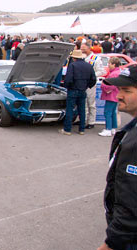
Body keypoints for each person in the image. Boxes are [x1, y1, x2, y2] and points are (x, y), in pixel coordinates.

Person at [97, 65, 137, 250]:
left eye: (126, 90)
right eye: (119, 89)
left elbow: (131, 201)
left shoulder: (135, 142)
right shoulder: (131, 130)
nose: (119, 95)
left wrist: (111, 243)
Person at [59, 50, 96, 135]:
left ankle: (67, 129)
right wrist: (87, 86)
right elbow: (93, 79)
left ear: (74, 58)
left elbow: (68, 79)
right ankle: (81, 129)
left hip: (73, 90)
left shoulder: (72, 65)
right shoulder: (89, 66)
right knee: (82, 109)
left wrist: (67, 86)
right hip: (83, 90)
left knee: (70, 109)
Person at [80, 42, 106, 129]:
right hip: (82, 84)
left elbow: (102, 71)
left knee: (91, 103)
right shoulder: (81, 57)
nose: (82, 50)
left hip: (90, 84)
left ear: (89, 48)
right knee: (83, 104)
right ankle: (83, 120)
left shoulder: (96, 59)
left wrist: (91, 75)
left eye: (83, 49)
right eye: (81, 49)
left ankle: (91, 122)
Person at [98, 57, 121, 137]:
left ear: (113, 64)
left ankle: (108, 129)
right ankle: (113, 128)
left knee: (107, 112)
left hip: (111, 95)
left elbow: (109, 85)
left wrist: (103, 86)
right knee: (113, 112)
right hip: (116, 95)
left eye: (109, 64)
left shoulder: (113, 74)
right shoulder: (118, 72)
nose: (108, 65)